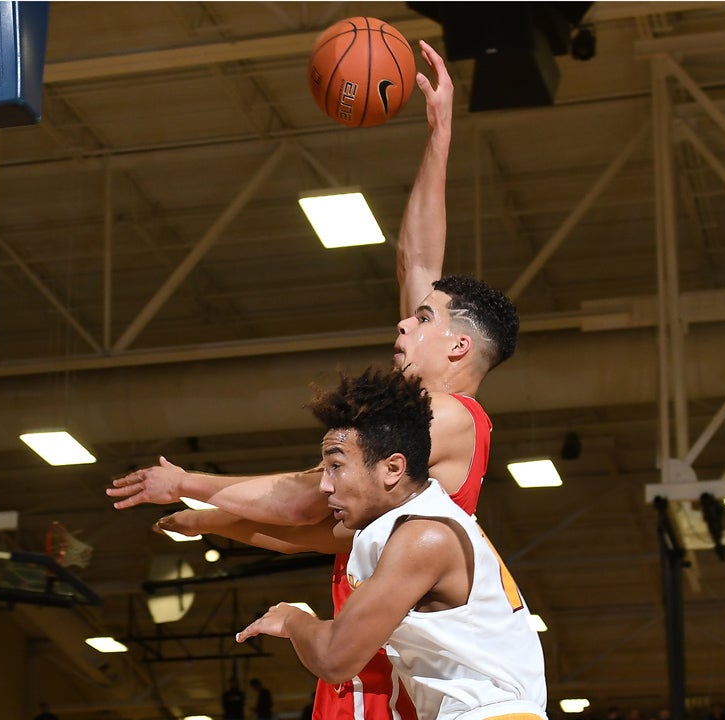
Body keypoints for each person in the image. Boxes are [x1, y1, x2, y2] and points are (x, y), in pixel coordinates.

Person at [107, 41, 520, 720]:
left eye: (422, 319)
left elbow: (304, 501)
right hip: (362, 658)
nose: (403, 323)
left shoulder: (449, 420)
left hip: (386, 674)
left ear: (458, 346)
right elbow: (417, 258)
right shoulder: (418, 423)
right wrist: (440, 131)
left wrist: (190, 484)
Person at [234, 368, 547, 720]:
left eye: (336, 465)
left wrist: (294, 620)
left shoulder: (423, 537)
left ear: (393, 468)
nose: (324, 485)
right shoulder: (417, 524)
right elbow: (294, 538)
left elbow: (334, 658)